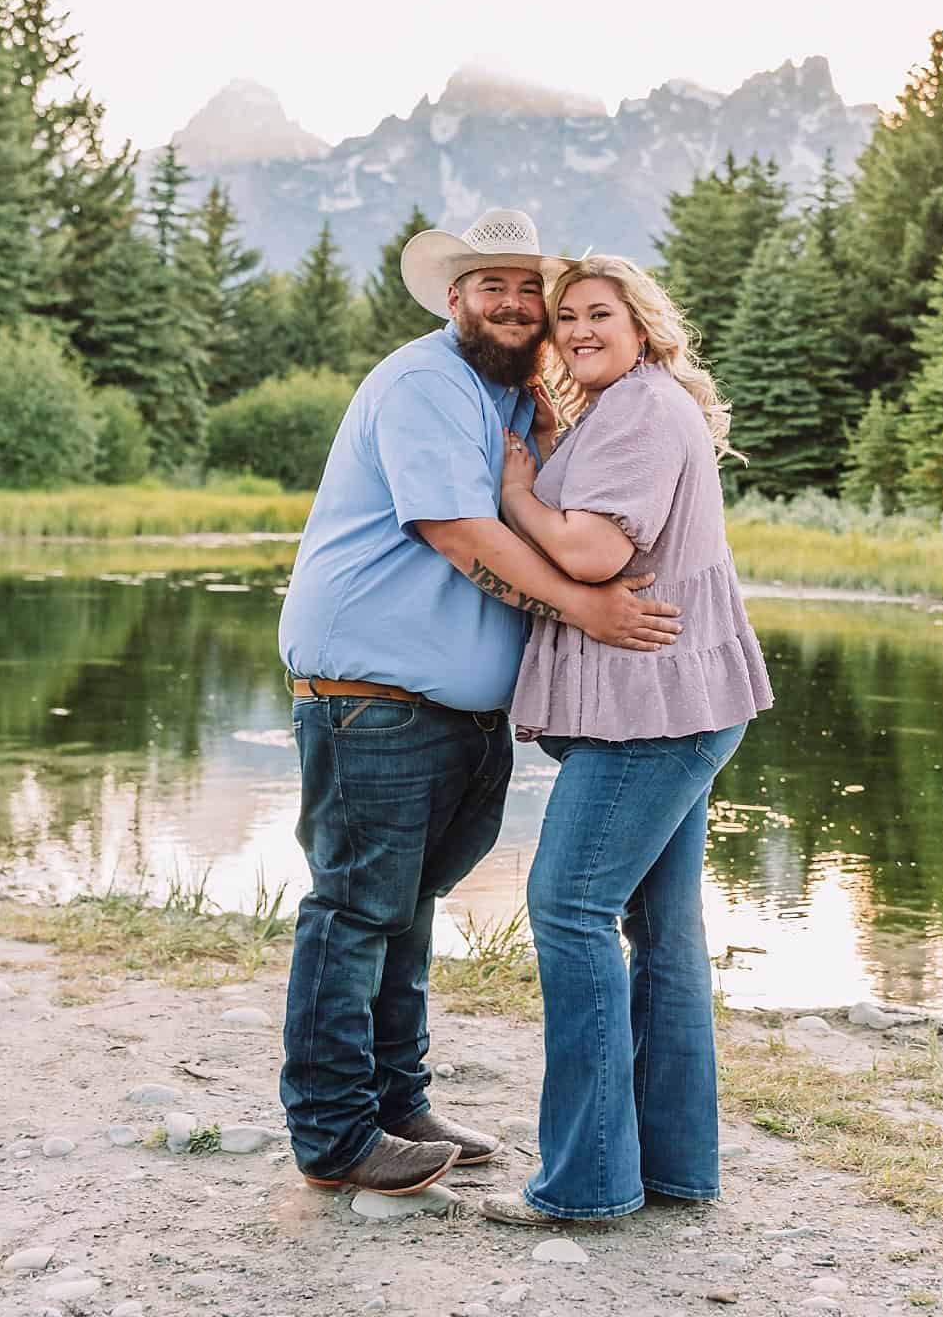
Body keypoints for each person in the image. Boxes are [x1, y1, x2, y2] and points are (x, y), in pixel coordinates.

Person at [277, 211, 684, 1198]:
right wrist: (589, 605)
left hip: (452, 715)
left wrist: (545, 428)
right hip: (371, 699)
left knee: (405, 908)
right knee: (355, 907)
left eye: (525, 287)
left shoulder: (500, 398)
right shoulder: (425, 381)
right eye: (487, 284)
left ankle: (398, 1102)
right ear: (453, 298)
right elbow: (457, 530)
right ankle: (333, 1134)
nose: (509, 301)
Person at [480, 255, 773, 1226]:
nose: (575, 330)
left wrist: (518, 489)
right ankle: (675, 1167)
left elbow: (596, 549)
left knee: (567, 907)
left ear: (642, 326)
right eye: (565, 319)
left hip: (651, 712)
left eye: (598, 313)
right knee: (663, 930)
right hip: (675, 704)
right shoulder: (632, 404)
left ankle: (588, 1181)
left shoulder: (645, 407)